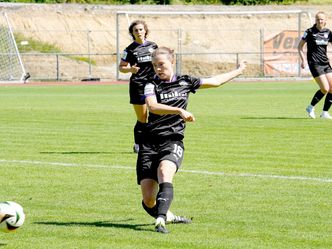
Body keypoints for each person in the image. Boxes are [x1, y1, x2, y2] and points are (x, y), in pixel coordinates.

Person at [137, 46, 247, 234]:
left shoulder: (185, 81)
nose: (158, 69)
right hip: (149, 142)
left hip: (172, 140)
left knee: (165, 171)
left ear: (172, 62)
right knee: (148, 199)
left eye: (161, 64)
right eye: (155, 65)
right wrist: (179, 110)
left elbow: (215, 81)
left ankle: (161, 220)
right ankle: (168, 215)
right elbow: (152, 106)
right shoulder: (150, 84)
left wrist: (238, 70)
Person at [119, 20, 158, 153]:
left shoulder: (153, 46)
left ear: (145, 30)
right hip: (138, 85)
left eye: (141, 29)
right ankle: (138, 144)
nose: (139, 32)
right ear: (132, 33)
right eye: (136, 30)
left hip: (154, 85)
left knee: (156, 114)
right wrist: (130, 70)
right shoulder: (129, 49)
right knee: (142, 117)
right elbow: (121, 67)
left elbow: (160, 61)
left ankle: (153, 142)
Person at [298, 11, 332, 119]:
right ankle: (310, 107)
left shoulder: (328, 32)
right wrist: (303, 60)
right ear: (315, 20)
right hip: (315, 64)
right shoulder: (309, 32)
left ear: (325, 21)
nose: (320, 21)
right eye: (318, 19)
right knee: (325, 88)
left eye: (322, 19)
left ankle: (325, 113)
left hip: (325, 63)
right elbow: (299, 47)